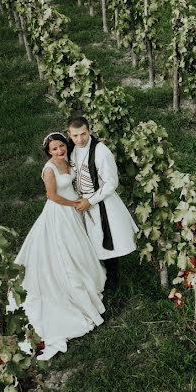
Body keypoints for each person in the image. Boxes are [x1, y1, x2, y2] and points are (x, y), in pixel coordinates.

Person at [14, 133, 106, 360]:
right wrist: (75, 203)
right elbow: (52, 195)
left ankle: (89, 275)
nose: (59, 151)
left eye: (61, 146)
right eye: (54, 149)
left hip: (74, 211)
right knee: (65, 250)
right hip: (60, 212)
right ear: (49, 152)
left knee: (80, 246)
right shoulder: (49, 169)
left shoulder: (69, 160)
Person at [66, 116, 138, 297]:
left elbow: (111, 183)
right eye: (75, 136)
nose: (80, 139)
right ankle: (97, 274)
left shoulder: (100, 152)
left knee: (106, 239)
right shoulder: (72, 150)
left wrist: (90, 201)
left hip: (100, 201)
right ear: (69, 134)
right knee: (88, 241)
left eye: (83, 134)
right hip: (81, 201)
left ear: (89, 130)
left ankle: (113, 279)